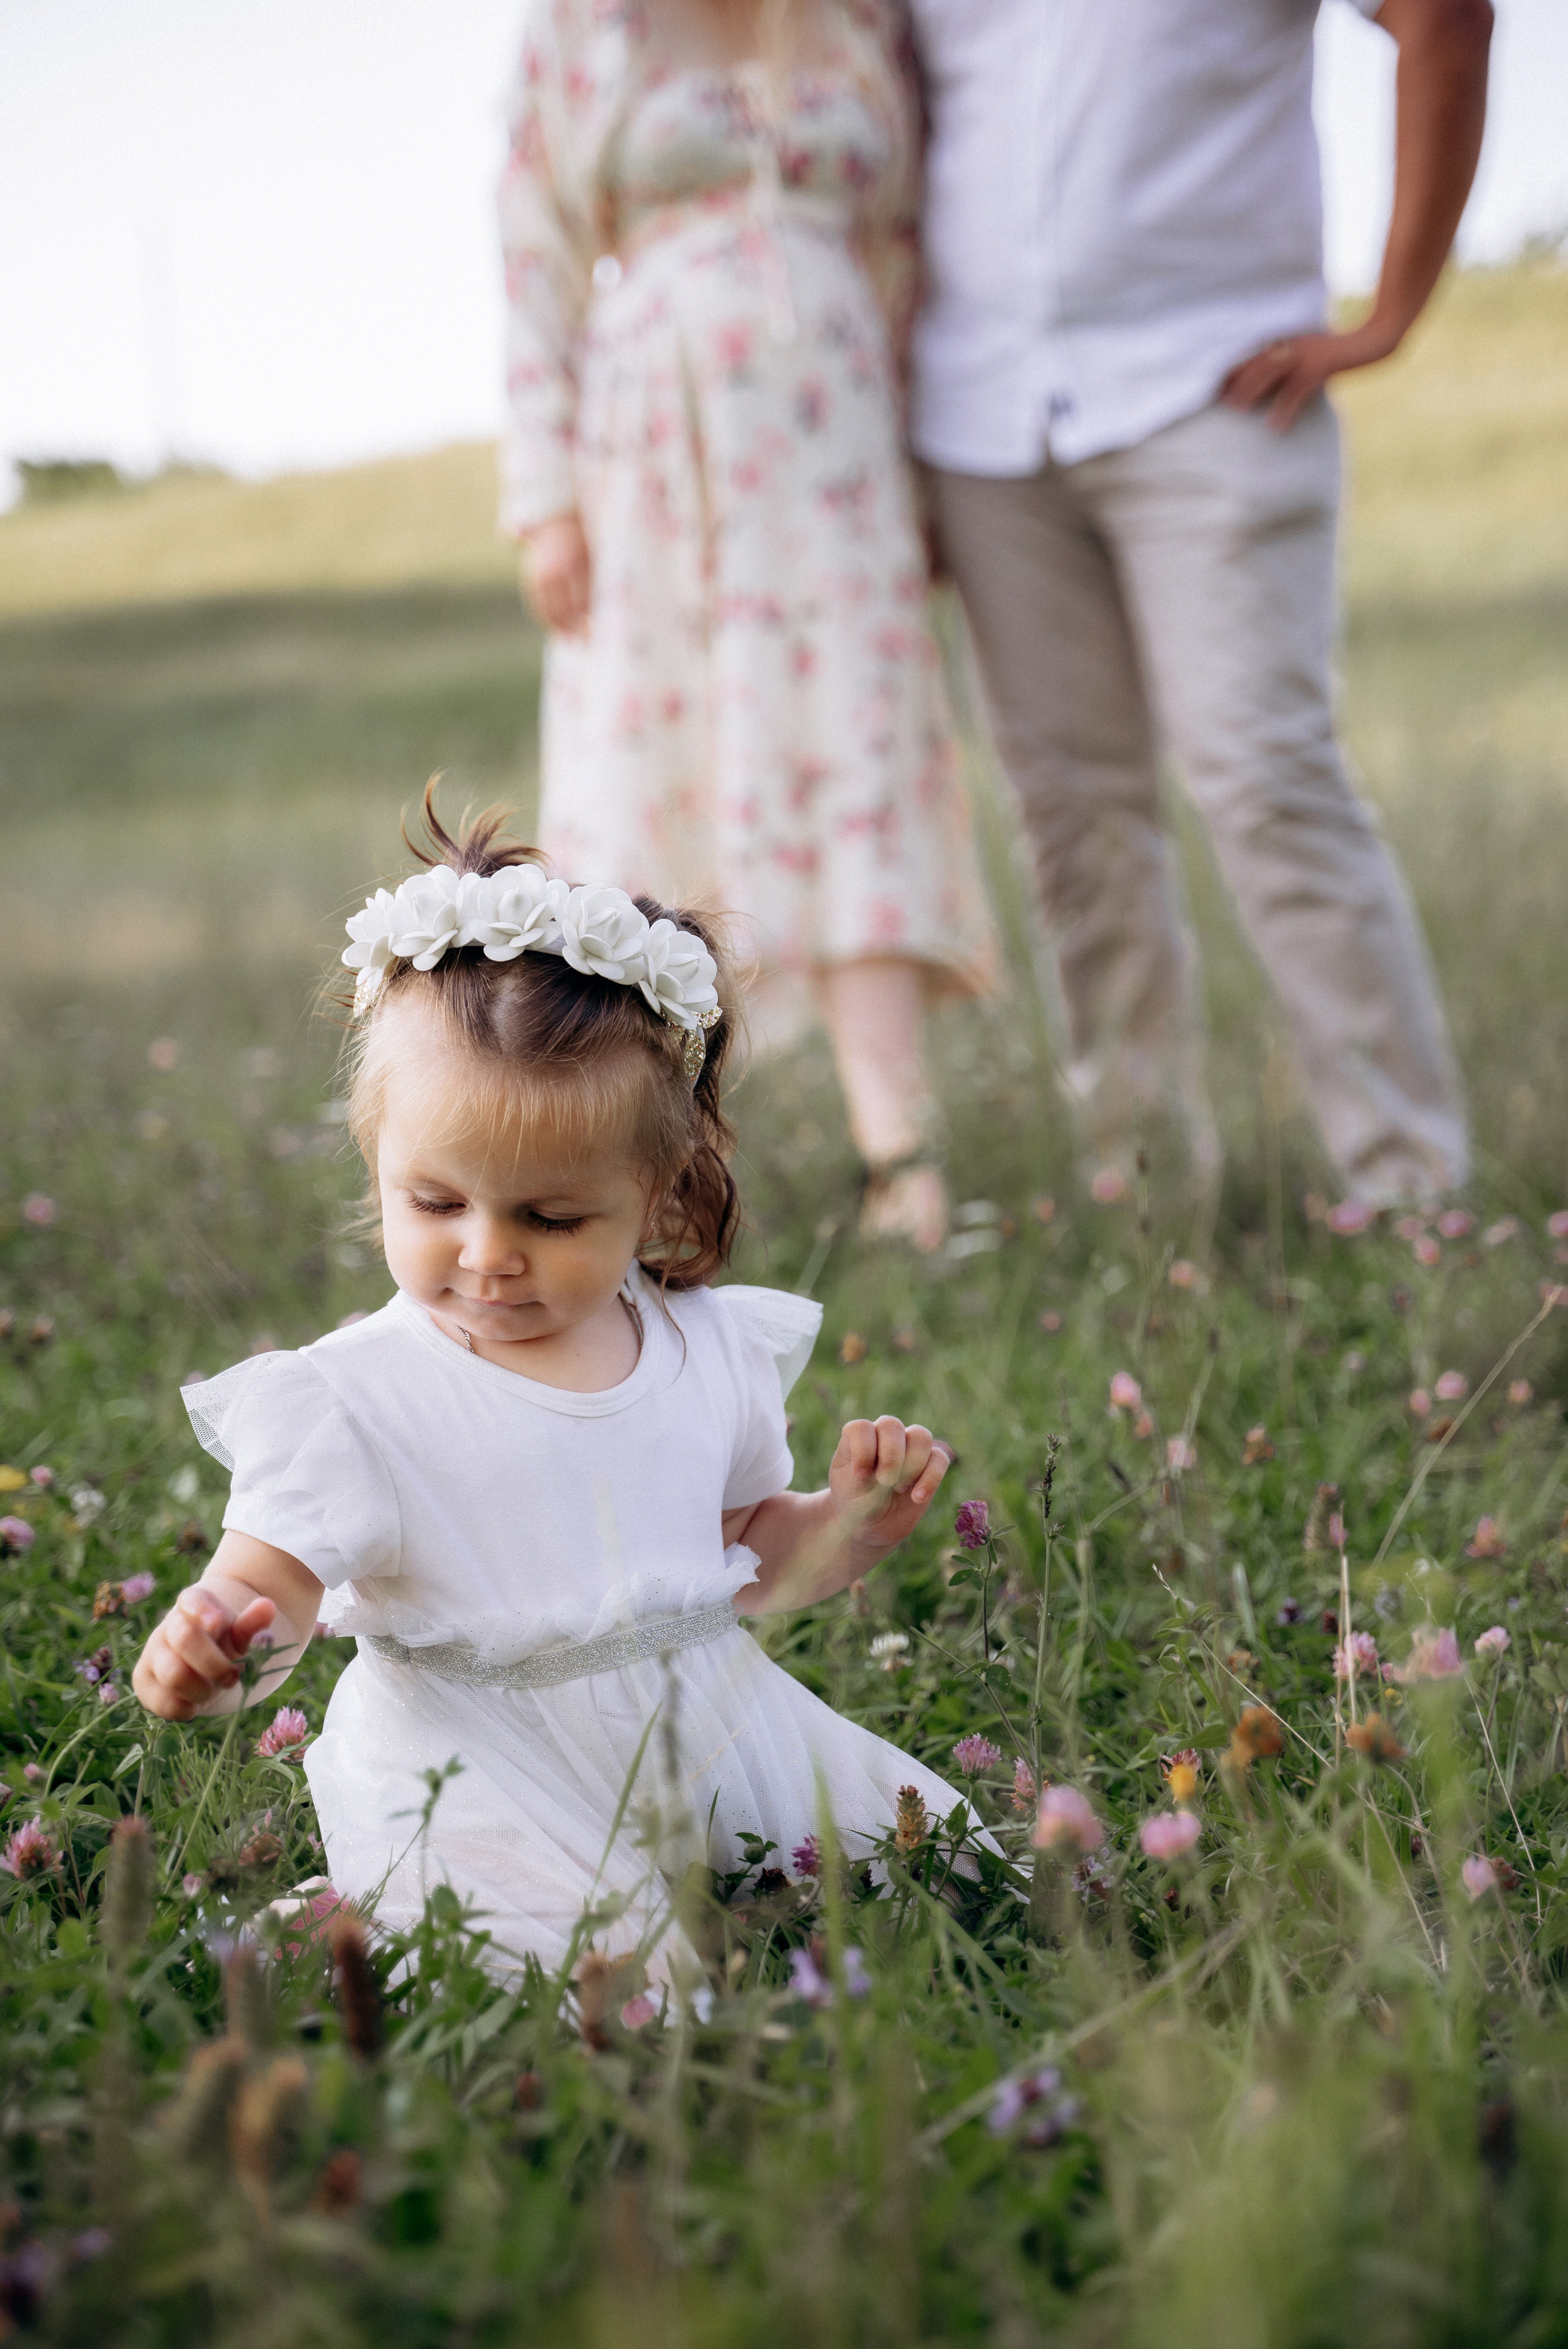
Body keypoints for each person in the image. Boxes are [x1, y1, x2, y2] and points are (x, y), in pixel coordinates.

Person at [130, 801, 979, 1983]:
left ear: (660, 1192)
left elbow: (738, 1549)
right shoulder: (356, 1400)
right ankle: (373, 1922)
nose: (486, 1252)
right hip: (483, 1769)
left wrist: (848, 1524)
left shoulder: (701, 1348)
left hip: (712, 1731)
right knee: (616, 1984)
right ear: (377, 1158)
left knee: (952, 1872)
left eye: (551, 1217)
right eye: (436, 1203)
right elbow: (269, 1587)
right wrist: (218, 1650)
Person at [908, 0, 1492, 1214]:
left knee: (1265, 776)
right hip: (979, 415)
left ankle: (1411, 1192)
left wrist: (1388, 312)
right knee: (1070, 813)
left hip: (1213, 388)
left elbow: (1441, 15)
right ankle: (1145, 1187)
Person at [497, 0, 998, 1251]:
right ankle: (647, 1164)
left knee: (854, 769)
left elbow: (907, 254)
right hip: (651, 449)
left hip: (837, 454)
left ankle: (903, 1156)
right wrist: (544, 500)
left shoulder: (860, 23)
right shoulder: (584, 23)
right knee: (646, 782)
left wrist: (925, 479)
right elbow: (530, 250)